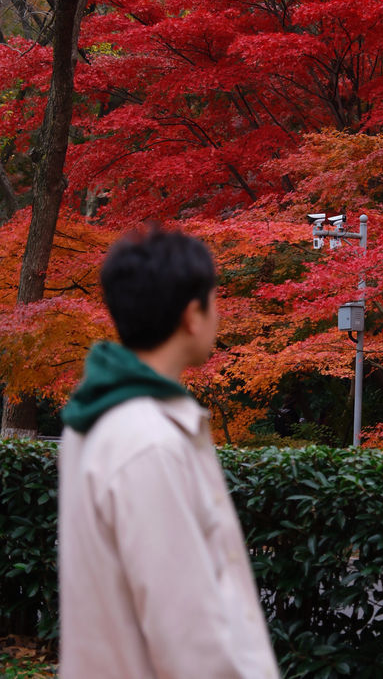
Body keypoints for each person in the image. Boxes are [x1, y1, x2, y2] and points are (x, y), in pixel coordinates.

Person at [58, 226, 280, 679]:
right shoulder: (149, 442)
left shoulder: (103, 418)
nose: (219, 315)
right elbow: (188, 637)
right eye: (213, 301)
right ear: (191, 316)